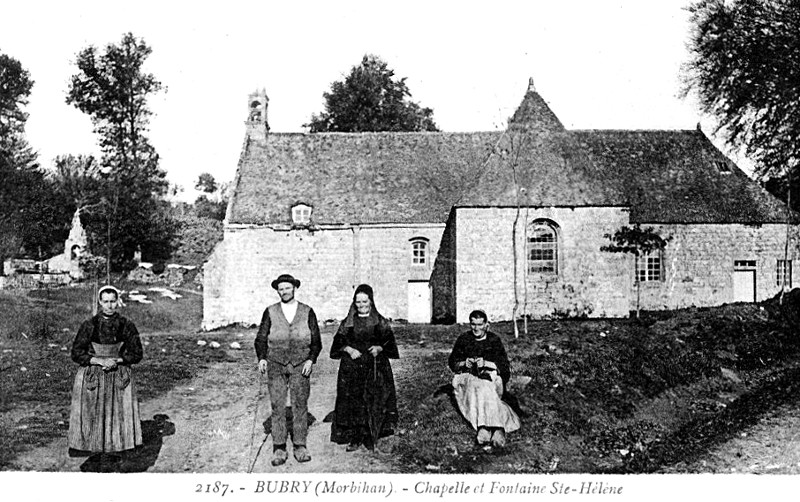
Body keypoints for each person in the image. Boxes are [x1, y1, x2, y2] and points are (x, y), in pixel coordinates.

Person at [68, 285, 144, 460]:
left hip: (118, 373)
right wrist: (99, 361)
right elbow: (76, 352)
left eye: (113, 301)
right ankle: (92, 445)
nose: (109, 306)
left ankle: (117, 446)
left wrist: (117, 360)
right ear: (100, 302)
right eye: (106, 302)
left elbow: (137, 353)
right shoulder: (90, 325)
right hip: (95, 372)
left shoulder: (127, 325)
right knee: (93, 411)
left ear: (118, 302)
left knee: (118, 412)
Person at [255, 273, 322, 466]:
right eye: (281, 288)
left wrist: (311, 360)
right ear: (277, 291)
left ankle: (300, 445)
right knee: (277, 405)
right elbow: (261, 337)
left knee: (300, 404)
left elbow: (316, 341)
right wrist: (262, 358)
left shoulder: (307, 311)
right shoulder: (270, 311)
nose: (284, 291)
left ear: (294, 288)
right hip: (276, 363)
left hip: (301, 364)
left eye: (287, 288)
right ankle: (279, 447)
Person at [329, 284, 399, 451]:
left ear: (371, 302)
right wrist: (348, 349)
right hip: (352, 368)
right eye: (357, 302)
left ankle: (374, 434)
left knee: (376, 399)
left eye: (364, 301)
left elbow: (390, 344)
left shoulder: (379, 321)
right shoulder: (348, 323)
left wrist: (379, 348)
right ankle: (355, 437)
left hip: (375, 367)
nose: (361, 305)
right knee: (353, 401)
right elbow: (337, 345)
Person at [448, 309, 520, 448]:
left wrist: (487, 364)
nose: (476, 328)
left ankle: (487, 428)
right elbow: (453, 362)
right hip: (468, 378)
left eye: (480, 325)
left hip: (490, 378)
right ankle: (493, 428)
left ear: (487, 325)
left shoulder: (494, 340)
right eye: (473, 324)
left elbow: (504, 368)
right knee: (481, 387)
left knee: (485, 386)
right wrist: (464, 363)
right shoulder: (464, 339)